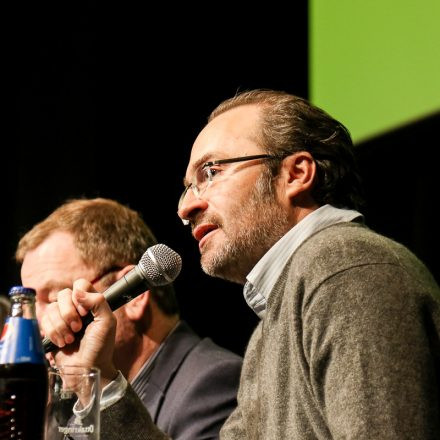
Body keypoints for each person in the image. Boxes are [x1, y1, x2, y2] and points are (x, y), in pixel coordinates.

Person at [39, 90, 440, 439]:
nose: (185, 208)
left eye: (211, 173)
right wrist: (99, 380)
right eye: (187, 187)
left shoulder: (347, 271)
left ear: (296, 174)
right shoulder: (278, 318)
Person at [16, 197, 242, 440]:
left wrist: (98, 383)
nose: (37, 322)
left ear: (135, 295)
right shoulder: (68, 401)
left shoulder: (214, 383)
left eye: (54, 299)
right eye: (30, 303)